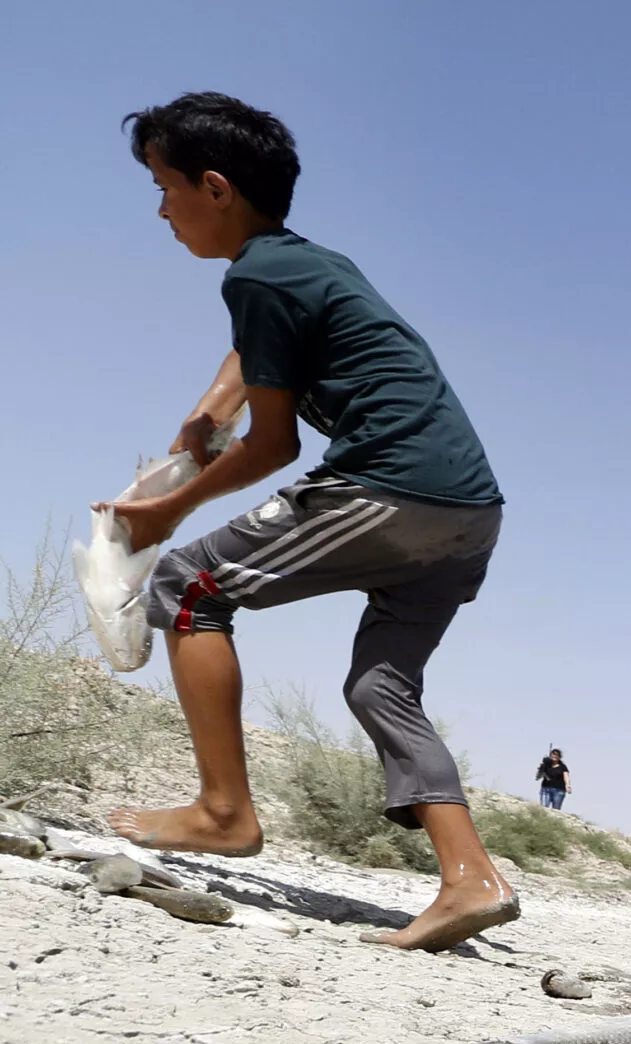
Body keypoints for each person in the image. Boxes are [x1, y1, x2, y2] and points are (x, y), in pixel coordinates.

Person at [96, 93, 519, 953]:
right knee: (380, 688)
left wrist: (167, 510)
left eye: (162, 185)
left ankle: (223, 812)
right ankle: (471, 881)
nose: (160, 210)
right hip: (469, 511)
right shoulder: (305, 264)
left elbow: (277, 444)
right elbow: (254, 355)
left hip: (389, 488)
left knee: (186, 586)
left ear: (214, 188)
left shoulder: (252, 273)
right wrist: (205, 419)